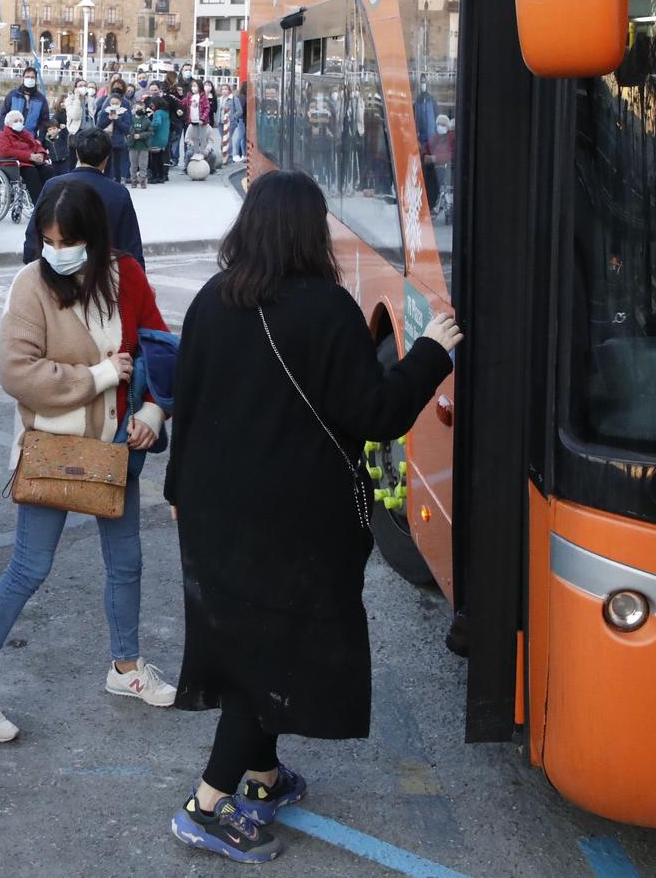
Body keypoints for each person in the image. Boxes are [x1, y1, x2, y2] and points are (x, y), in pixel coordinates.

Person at [163, 172, 462, 861]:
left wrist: (179, 492)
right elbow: (375, 414)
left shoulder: (213, 299)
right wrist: (431, 354)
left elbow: (191, 403)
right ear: (309, 230)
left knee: (251, 642)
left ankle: (263, 778)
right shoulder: (325, 307)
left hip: (214, 510)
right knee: (271, 651)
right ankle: (206, 805)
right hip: (292, 522)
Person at [0, 183, 172, 744]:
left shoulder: (126, 276)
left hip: (120, 446)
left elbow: (158, 349)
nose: (57, 250)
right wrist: (99, 376)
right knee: (29, 568)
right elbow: (17, 373)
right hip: (56, 451)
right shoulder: (30, 286)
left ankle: (126, 667)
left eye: (69, 240)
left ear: (94, 238)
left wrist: (153, 409)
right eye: (47, 239)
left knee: (127, 562)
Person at [23, 127, 144, 267]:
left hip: (55, 274)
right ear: (107, 157)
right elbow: (130, 244)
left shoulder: (53, 185)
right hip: (102, 274)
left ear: (77, 154)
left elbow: (34, 234)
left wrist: (32, 267)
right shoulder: (118, 192)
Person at [0, 110, 51, 204]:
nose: (19, 123)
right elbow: (5, 151)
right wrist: (29, 156)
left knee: (48, 170)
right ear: (8, 123)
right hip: (14, 164)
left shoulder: (25, 133)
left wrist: (41, 154)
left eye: (21, 121)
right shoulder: (3, 135)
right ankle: (38, 204)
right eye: (16, 121)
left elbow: (36, 145)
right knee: (31, 172)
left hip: (30, 162)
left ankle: (49, 200)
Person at [95, 84, 133, 183]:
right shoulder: (105, 112)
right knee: (106, 164)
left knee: (117, 165)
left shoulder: (124, 113)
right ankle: (107, 181)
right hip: (106, 142)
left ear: (120, 103)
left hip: (118, 142)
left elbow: (127, 129)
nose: (114, 105)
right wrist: (109, 119)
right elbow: (99, 126)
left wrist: (117, 120)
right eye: (112, 103)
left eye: (116, 103)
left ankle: (118, 181)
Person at [3, 66, 50, 142]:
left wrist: (40, 139)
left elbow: (45, 121)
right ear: (23, 79)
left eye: (32, 77)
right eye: (27, 77)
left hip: (30, 140)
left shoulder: (41, 99)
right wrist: (3, 134)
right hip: (11, 139)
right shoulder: (13, 95)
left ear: (36, 80)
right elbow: (3, 115)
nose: (30, 79)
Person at [128, 100, 154, 190]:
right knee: (133, 165)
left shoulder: (147, 120)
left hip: (143, 146)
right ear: (134, 109)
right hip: (133, 146)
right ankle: (133, 181)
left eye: (141, 109)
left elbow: (151, 132)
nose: (139, 110)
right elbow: (127, 129)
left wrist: (141, 135)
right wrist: (132, 135)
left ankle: (142, 180)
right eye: (137, 109)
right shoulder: (130, 119)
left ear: (144, 110)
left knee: (143, 165)